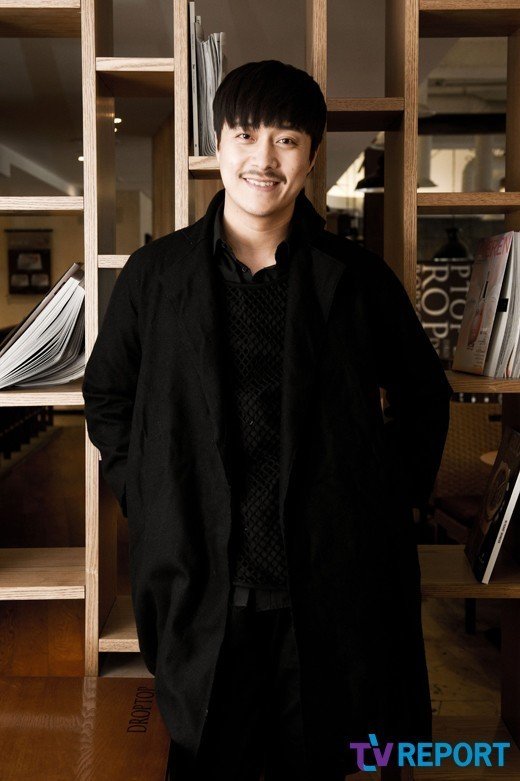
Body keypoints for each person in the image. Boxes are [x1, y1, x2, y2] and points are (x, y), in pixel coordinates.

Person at [82, 59, 452, 781]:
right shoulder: (155, 275)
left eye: (286, 140)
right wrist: (148, 495)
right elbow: (108, 396)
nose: (263, 158)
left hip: (327, 586)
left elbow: (423, 395)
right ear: (217, 144)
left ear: (311, 157)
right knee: (204, 760)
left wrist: (387, 500)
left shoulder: (357, 278)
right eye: (246, 135)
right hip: (201, 580)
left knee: (322, 758)